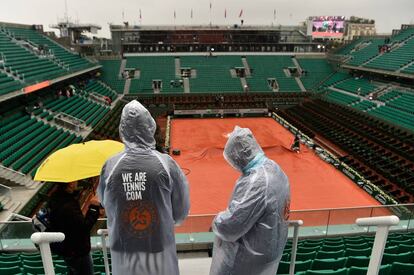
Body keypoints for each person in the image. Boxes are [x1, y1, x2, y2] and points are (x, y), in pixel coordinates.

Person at [98, 100, 190, 275]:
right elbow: (180, 210)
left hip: (125, 252)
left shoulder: (110, 166)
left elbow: (106, 202)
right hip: (159, 248)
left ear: (122, 129)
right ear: (150, 127)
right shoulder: (166, 163)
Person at [210, 126, 291, 275]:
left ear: (238, 156)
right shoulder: (275, 169)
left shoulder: (256, 182)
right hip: (270, 250)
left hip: (248, 260)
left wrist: (216, 221)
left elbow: (232, 225)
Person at [48, 181, 100, 275]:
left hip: (68, 249)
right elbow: (84, 227)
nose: (77, 182)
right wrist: (93, 207)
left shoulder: (56, 198)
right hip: (77, 251)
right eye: (75, 181)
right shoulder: (68, 205)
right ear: (70, 184)